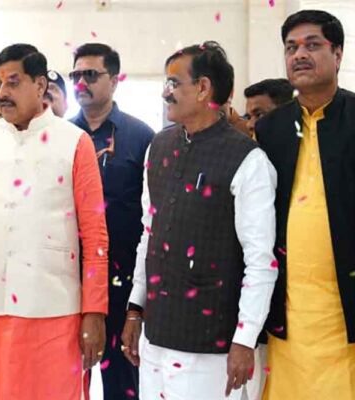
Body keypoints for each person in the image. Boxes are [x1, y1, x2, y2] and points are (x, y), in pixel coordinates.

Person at [0, 43, 109, 400]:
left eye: (13, 82)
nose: (2, 92)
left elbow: (95, 236)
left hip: (54, 313)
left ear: (40, 85)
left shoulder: (74, 143)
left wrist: (94, 312)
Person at [121, 41, 278, 400]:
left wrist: (245, 339)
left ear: (204, 88)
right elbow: (149, 234)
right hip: (156, 335)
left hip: (213, 348)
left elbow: (260, 260)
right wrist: (135, 308)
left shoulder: (248, 160)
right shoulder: (159, 147)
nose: (166, 93)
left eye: (174, 83)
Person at [255, 10, 355, 400]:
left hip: (349, 307)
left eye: (312, 45)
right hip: (289, 307)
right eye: (291, 48)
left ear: (338, 54)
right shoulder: (271, 128)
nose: (299, 54)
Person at [69, 42, 153, 400]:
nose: (81, 82)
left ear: (115, 80)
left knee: (123, 381)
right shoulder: (62, 136)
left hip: (123, 279)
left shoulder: (141, 137)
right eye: (76, 75)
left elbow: (152, 214)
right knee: (68, 379)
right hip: (70, 279)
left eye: (91, 74)